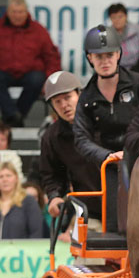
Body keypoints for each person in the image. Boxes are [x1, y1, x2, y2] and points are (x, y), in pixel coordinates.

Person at [74, 24, 139, 170]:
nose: (105, 61)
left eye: (109, 55)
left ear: (118, 54)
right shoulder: (86, 97)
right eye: (99, 56)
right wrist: (108, 156)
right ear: (90, 58)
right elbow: (81, 139)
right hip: (107, 165)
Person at [0, 0, 61, 126]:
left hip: (30, 74)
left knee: (38, 78)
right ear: (7, 12)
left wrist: (50, 81)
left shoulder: (39, 30)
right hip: (3, 73)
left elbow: (51, 56)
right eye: (14, 12)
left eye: (20, 12)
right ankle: (14, 116)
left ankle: (13, 117)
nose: (17, 15)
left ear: (26, 12)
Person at [40, 70, 101, 222]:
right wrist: (54, 197)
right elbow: (51, 175)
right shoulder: (52, 137)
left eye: (68, 98)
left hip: (124, 203)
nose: (64, 105)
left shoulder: (103, 120)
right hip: (87, 210)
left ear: (79, 95)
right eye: (57, 101)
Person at [0, 161, 43, 238]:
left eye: (8, 176)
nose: (5, 180)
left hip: (23, 249)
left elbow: (36, 233)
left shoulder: (29, 202)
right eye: (0, 177)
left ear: (16, 178)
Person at [107, 3, 139, 69]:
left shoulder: (138, 30)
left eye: (120, 16)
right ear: (110, 18)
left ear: (126, 16)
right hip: (117, 69)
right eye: (114, 17)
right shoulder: (107, 35)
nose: (117, 20)